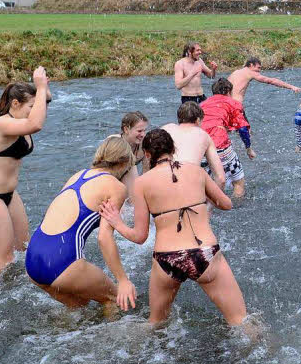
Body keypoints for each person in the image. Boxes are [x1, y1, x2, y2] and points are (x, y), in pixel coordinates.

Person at [100, 129, 248, 327]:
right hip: (205, 253)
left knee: (155, 324)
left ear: (147, 154)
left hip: (167, 258)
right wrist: (203, 202)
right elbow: (227, 204)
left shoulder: (141, 183)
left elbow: (140, 236)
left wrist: (117, 222)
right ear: (174, 149)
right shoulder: (196, 170)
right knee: (240, 321)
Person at [25, 137, 136, 312]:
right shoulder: (116, 187)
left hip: (32, 260)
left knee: (79, 306)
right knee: (115, 299)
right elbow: (104, 238)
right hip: (61, 261)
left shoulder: (78, 175)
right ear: (124, 163)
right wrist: (123, 280)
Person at [0, 68, 50, 279]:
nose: (35, 110)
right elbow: (36, 124)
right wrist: (39, 86)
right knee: (4, 260)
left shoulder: (21, 120)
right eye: (30, 106)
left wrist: (42, 86)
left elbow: (45, 99)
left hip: (10, 195)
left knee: (23, 251)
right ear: (15, 104)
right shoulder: (2, 123)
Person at [201, 78, 252, 198]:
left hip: (200, 148)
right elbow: (243, 129)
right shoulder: (233, 103)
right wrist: (248, 148)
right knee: (238, 182)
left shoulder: (202, 104)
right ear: (229, 91)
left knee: (205, 185)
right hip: (220, 146)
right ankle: (235, 209)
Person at [161, 101, 225, 187]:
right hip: (189, 185)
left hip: (162, 181)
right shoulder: (204, 135)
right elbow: (221, 179)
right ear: (198, 120)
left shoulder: (166, 129)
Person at [227, 56, 301, 105]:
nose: (259, 71)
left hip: (225, 103)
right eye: (258, 68)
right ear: (251, 65)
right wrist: (292, 87)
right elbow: (271, 81)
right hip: (236, 105)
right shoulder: (250, 72)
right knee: (246, 129)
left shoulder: (235, 72)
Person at [110, 111, 148, 196]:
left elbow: (147, 173)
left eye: (145, 130)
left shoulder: (144, 145)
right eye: (139, 131)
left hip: (129, 175)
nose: (143, 135)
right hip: (110, 178)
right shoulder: (113, 143)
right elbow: (104, 171)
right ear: (126, 129)